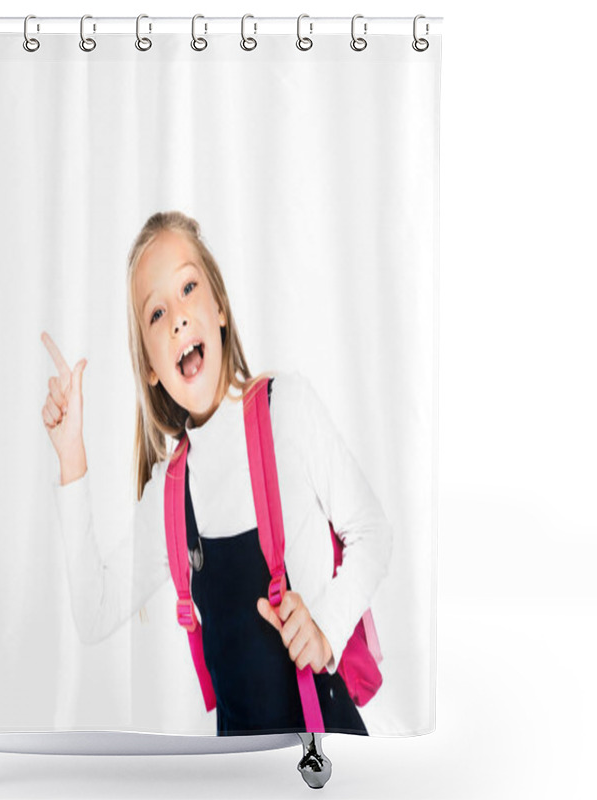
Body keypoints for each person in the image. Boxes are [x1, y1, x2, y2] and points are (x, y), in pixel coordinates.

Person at [41, 210, 392, 735]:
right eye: (156, 313)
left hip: (325, 763)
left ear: (220, 308)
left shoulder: (286, 411)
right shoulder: (171, 493)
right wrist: (72, 456)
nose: (178, 316)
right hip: (237, 779)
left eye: (188, 287)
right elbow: (93, 615)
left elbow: (373, 534)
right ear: (153, 369)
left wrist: (325, 628)